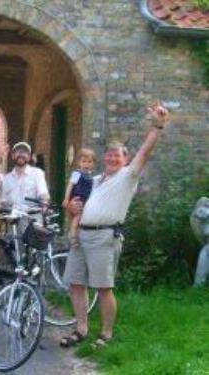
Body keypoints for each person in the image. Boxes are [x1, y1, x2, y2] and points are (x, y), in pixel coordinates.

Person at [60, 102, 170, 348]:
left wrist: (157, 125)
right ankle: (81, 329)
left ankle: (106, 334)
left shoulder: (128, 176)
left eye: (116, 155)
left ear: (125, 159)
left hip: (104, 237)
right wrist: (71, 209)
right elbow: (75, 205)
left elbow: (145, 152)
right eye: (108, 155)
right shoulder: (95, 180)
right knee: (76, 284)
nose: (111, 158)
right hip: (81, 236)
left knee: (103, 287)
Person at [0, 141, 50, 213]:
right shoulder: (7, 179)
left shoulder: (37, 173)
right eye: (18, 152)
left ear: (29, 157)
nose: (21, 154)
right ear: (12, 156)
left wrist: (44, 205)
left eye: (24, 152)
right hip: (13, 220)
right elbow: (4, 202)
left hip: (33, 218)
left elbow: (43, 194)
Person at [62, 148, 96, 247]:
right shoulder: (77, 173)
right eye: (84, 161)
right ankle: (72, 235)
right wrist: (66, 199)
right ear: (79, 163)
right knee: (78, 216)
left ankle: (76, 234)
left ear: (93, 164)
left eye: (90, 162)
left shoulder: (91, 176)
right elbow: (70, 185)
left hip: (86, 199)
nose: (86, 164)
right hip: (78, 197)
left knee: (81, 218)